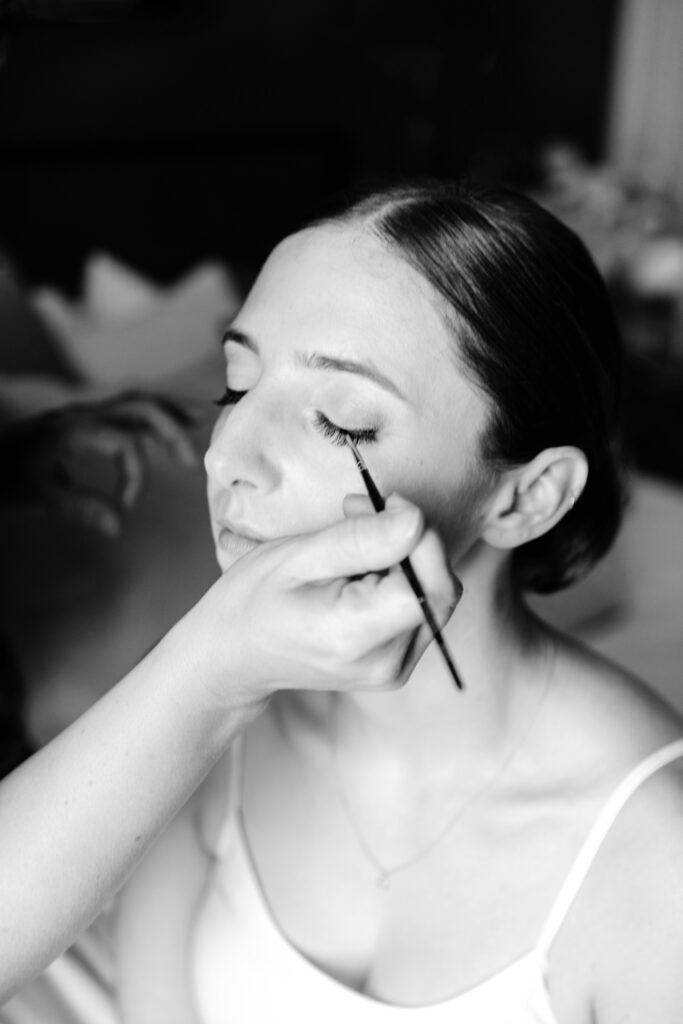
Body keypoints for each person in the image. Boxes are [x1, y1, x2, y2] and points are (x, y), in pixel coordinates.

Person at [5, 178, 683, 1023]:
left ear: (525, 498)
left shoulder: (656, 859)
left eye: (340, 421)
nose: (227, 458)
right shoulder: (200, 736)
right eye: (235, 387)